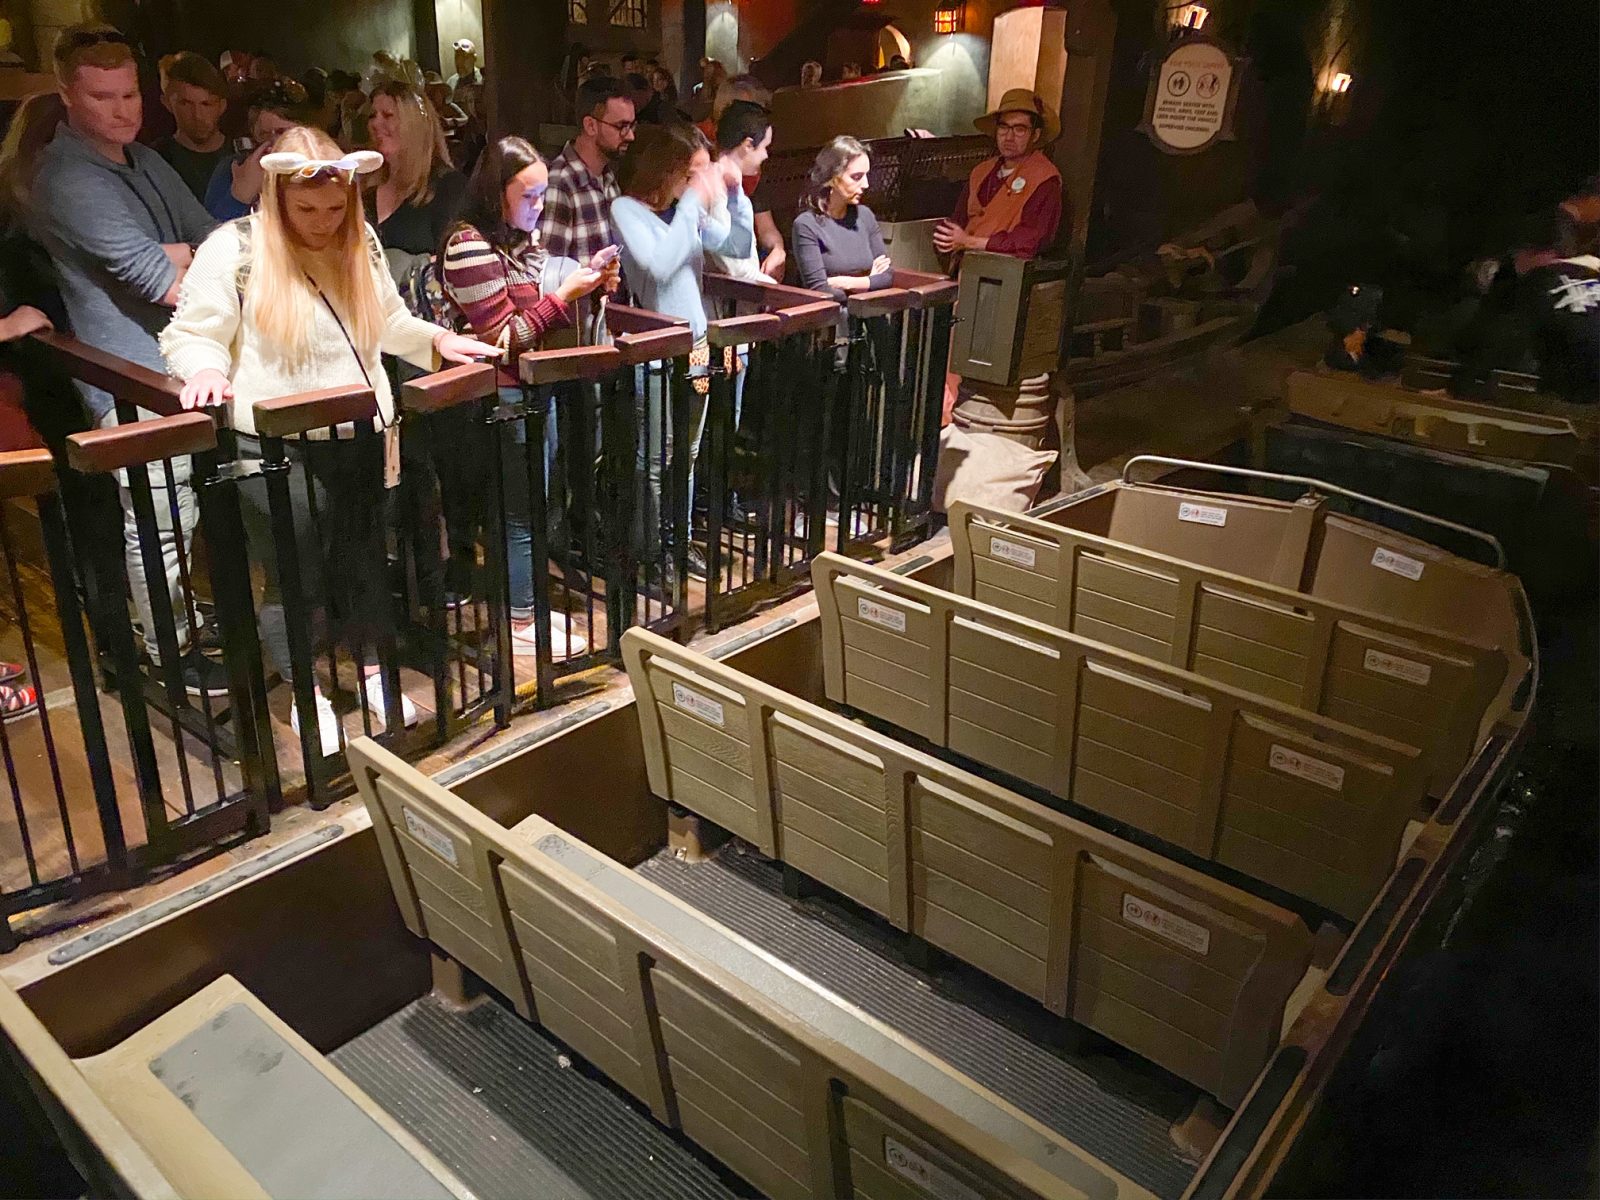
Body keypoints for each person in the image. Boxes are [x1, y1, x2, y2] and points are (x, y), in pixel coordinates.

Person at [161, 127, 498, 755]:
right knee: (294, 577)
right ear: (277, 196)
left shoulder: (359, 241)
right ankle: (305, 691)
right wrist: (205, 367)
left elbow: (388, 320)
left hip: (360, 431)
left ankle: (372, 673)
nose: (322, 222)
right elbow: (194, 332)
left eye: (335, 208)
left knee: (366, 562)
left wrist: (436, 343)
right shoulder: (233, 249)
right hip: (275, 444)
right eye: (306, 209)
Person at [30, 22, 225, 697]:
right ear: (67, 96)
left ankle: (176, 626)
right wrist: (176, 256)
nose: (124, 109)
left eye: (131, 94)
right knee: (159, 519)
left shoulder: (139, 159)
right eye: (104, 97)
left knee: (179, 513)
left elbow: (213, 238)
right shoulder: (67, 176)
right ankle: (165, 648)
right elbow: (162, 280)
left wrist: (180, 253)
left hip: (174, 363)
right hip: (127, 376)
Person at [438, 136, 615, 659]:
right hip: (501, 399)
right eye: (529, 196)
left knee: (536, 509)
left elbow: (542, 315)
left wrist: (592, 285)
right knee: (518, 514)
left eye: (543, 195)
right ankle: (519, 621)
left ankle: (526, 607)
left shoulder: (522, 241)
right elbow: (500, 340)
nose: (539, 207)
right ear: (495, 193)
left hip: (536, 389)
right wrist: (563, 297)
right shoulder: (467, 243)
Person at [612, 124, 750, 574]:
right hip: (655, 352)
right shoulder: (627, 210)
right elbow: (659, 265)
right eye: (690, 174)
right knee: (655, 457)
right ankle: (650, 552)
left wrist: (735, 195)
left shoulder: (681, 211)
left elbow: (735, 243)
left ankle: (679, 540)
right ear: (667, 171)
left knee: (687, 455)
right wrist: (692, 203)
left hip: (697, 348)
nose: (696, 182)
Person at [934, 88, 1064, 264]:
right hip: (964, 269)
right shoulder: (981, 171)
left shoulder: (1044, 179)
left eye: (1019, 129)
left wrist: (969, 242)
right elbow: (958, 221)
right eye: (1004, 127)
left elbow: (1031, 241)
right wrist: (946, 238)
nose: (1009, 137)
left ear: (1035, 135)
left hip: (1006, 275)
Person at [364, 79, 465, 257]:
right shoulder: (366, 188)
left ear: (415, 124)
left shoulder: (448, 187)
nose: (375, 123)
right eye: (372, 115)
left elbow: (456, 261)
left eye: (387, 115)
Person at [791, 136, 893, 310]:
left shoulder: (865, 216)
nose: (866, 184)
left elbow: (887, 277)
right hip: (830, 323)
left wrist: (846, 283)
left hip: (869, 318)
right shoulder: (807, 225)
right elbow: (820, 289)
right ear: (833, 177)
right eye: (856, 177)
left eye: (866, 175)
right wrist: (869, 280)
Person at [541, 76, 634, 266]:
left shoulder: (607, 175)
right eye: (621, 127)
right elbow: (550, 271)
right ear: (590, 125)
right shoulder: (560, 182)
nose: (631, 136)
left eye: (632, 125)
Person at [202, 82, 306, 221]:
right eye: (264, 134)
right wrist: (239, 196)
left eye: (282, 133)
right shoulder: (232, 169)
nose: (273, 144)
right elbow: (207, 236)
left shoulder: (323, 171)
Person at [707, 101, 773, 281]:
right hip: (725, 302)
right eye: (765, 147)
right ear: (748, 145)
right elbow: (733, 266)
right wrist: (772, 287)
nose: (766, 155)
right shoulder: (716, 188)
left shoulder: (729, 187)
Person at [153, 52, 231, 202]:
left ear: (222, 105)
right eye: (185, 104)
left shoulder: (244, 155)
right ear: (168, 103)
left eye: (206, 104)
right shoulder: (156, 162)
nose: (197, 116)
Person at [446, 38, 484, 126]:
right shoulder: (451, 83)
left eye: (464, 57)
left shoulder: (482, 80)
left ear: (474, 58)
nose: (459, 62)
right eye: (457, 57)